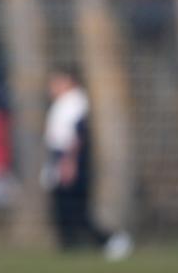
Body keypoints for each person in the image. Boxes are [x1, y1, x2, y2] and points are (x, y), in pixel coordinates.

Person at [42, 67, 131, 258]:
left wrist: (69, 162)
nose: (52, 86)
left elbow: (77, 136)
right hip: (59, 159)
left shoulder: (75, 102)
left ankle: (110, 240)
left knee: (77, 210)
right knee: (62, 209)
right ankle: (69, 248)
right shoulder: (62, 103)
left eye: (57, 81)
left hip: (70, 160)